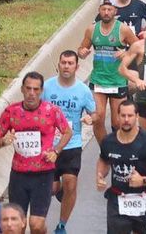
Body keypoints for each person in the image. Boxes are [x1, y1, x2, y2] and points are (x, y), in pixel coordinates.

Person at [0, 72, 71, 234]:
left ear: (41, 91)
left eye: (35, 89)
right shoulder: (11, 112)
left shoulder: (52, 111)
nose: (31, 93)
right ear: (22, 89)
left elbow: (67, 132)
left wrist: (56, 151)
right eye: (28, 89)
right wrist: (4, 141)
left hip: (43, 174)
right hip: (19, 175)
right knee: (16, 225)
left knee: (36, 224)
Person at [97, 100, 146, 234]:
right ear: (117, 116)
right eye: (123, 116)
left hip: (143, 198)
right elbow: (103, 160)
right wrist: (100, 175)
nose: (126, 120)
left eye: (130, 116)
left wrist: (143, 180)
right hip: (117, 198)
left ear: (137, 116)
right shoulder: (108, 141)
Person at [41, 51, 95, 234]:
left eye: (70, 63)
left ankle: (61, 225)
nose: (66, 66)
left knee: (71, 182)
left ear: (77, 67)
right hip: (50, 145)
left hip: (72, 143)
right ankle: (59, 189)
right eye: (63, 62)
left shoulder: (83, 90)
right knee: (53, 188)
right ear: (58, 65)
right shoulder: (47, 87)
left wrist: (90, 118)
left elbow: (94, 113)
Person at [80, 0, 136, 143]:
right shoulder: (92, 29)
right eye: (103, 9)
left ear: (115, 11)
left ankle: (119, 147)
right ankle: (106, 149)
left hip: (117, 80)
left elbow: (138, 48)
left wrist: (126, 53)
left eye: (109, 9)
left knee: (117, 123)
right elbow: (81, 49)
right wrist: (82, 52)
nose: (106, 12)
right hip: (98, 80)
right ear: (99, 10)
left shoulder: (123, 29)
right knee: (97, 118)